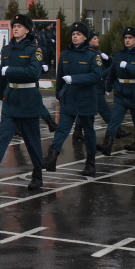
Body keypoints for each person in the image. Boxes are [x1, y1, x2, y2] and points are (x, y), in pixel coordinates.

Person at [0, 14, 45, 190]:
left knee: (32, 140)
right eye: (14, 26)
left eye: (20, 26)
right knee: (3, 136)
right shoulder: (6, 49)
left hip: (28, 98)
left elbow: (33, 73)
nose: (16, 28)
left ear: (27, 30)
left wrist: (8, 69)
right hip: (11, 99)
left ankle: (37, 174)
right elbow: (3, 75)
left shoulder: (33, 50)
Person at [43, 22, 103, 175]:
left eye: (79, 34)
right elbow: (60, 77)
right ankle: (52, 158)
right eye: (73, 34)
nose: (75, 37)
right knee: (62, 129)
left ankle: (90, 163)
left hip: (86, 98)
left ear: (85, 37)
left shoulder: (92, 55)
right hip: (69, 97)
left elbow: (96, 75)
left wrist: (75, 79)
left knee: (88, 130)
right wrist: (59, 94)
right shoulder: (65, 54)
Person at [97, 27, 135, 161]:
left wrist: (128, 66)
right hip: (121, 91)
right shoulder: (119, 54)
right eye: (126, 38)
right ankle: (107, 145)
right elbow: (113, 71)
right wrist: (108, 87)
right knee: (114, 119)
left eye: (130, 38)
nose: (127, 40)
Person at [72, 31, 131, 141]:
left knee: (84, 109)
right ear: (88, 40)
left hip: (96, 85)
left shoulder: (97, 52)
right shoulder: (89, 53)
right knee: (105, 110)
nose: (97, 40)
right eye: (94, 38)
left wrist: (107, 59)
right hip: (94, 86)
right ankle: (117, 130)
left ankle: (77, 132)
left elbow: (111, 65)